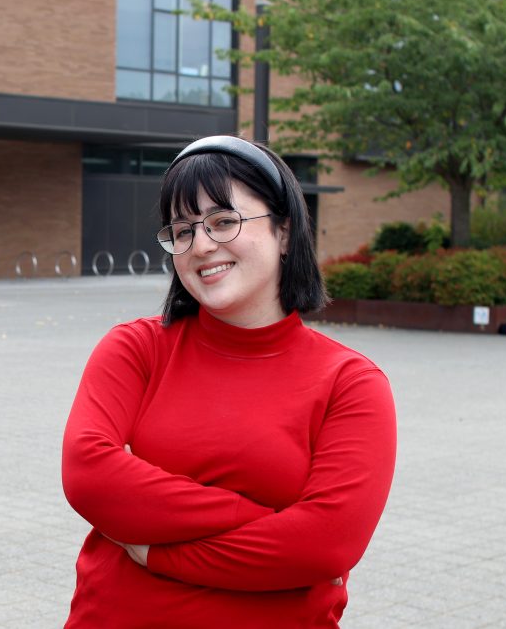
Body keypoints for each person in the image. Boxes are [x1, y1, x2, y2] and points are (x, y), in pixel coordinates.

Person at [61, 135, 397, 628]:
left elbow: (327, 545)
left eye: (223, 222)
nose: (200, 246)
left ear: (285, 231)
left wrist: (156, 553)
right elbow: (88, 473)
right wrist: (274, 527)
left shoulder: (351, 384)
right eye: (182, 231)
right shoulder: (138, 348)